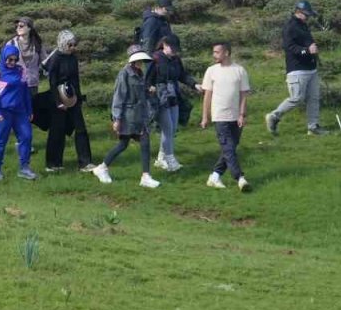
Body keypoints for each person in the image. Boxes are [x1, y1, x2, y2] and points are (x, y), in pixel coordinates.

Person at [92, 47, 161, 189]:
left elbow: (141, 95)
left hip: (139, 116)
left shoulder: (140, 73)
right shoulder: (124, 74)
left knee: (139, 142)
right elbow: (119, 97)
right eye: (137, 60)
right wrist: (117, 119)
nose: (140, 62)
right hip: (127, 116)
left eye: (141, 60)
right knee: (127, 144)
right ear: (132, 60)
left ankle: (144, 176)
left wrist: (149, 91)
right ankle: (104, 168)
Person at [265, 0, 328, 136]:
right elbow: (290, 47)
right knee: (297, 98)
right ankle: (274, 116)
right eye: (306, 14)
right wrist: (307, 50)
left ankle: (313, 126)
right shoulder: (290, 26)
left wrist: (313, 53)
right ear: (298, 12)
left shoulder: (303, 25)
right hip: (297, 69)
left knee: (314, 98)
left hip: (311, 68)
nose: (308, 17)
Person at [40, 30, 96, 173]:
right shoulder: (56, 59)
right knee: (57, 130)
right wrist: (58, 102)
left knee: (81, 129)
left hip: (72, 97)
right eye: (70, 45)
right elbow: (52, 82)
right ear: (63, 44)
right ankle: (53, 163)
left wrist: (78, 97)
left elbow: (75, 79)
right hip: (58, 97)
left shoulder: (73, 58)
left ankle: (85, 162)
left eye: (74, 44)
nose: (73, 47)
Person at [201, 43, 253, 191]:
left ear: (227, 53)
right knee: (229, 149)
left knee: (229, 149)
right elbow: (207, 96)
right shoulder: (211, 71)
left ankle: (215, 176)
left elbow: (244, 95)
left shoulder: (240, 70)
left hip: (236, 117)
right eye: (213, 52)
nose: (214, 55)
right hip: (219, 116)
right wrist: (205, 117)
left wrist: (242, 114)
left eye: (217, 52)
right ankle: (240, 178)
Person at [147, 33, 202, 173]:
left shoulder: (176, 59)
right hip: (160, 97)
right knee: (167, 128)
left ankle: (161, 158)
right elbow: (147, 79)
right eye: (172, 48)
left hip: (174, 95)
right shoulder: (155, 59)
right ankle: (170, 159)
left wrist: (194, 85)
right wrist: (150, 88)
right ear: (164, 45)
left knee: (172, 128)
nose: (174, 51)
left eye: (176, 48)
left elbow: (182, 75)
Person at [0, 43, 37, 181]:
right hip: (3, 112)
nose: (12, 62)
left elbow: (26, 91)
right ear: (4, 58)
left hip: (20, 111)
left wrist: (29, 110)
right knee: (0, 140)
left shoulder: (21, 70)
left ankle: (24, 168)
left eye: (15, 60)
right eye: (9, 59)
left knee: (26, 137)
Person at [7, 16, 44, 94]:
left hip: (32, 84)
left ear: (29, 28)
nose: (18, 28)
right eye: (17, 26)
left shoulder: (37, 44)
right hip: (16, 84)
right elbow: (5, 63)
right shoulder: (11, 44)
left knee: (32, 105)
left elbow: (45, 62)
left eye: (21, 26)